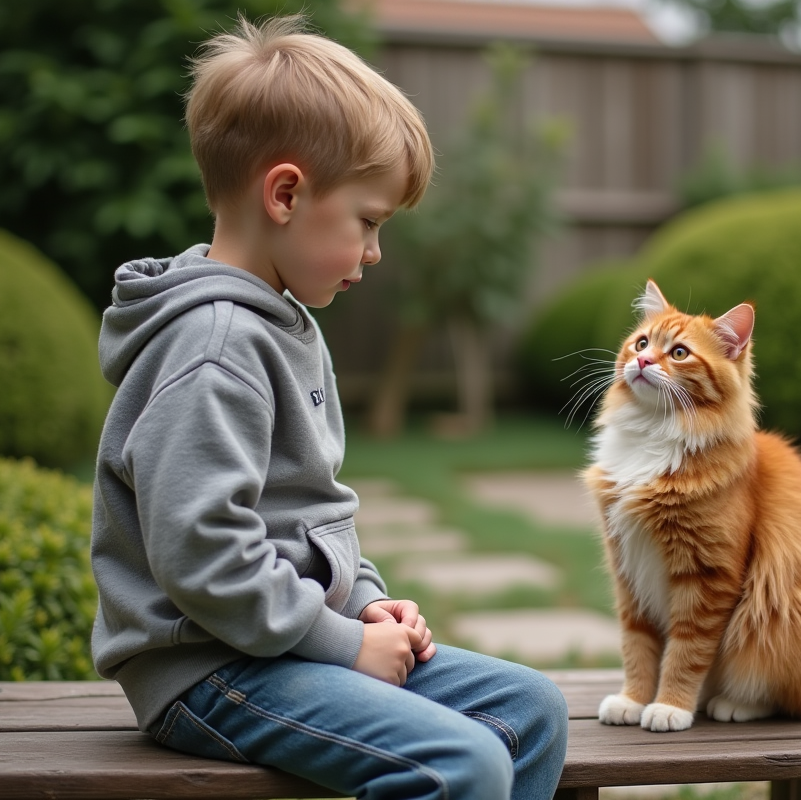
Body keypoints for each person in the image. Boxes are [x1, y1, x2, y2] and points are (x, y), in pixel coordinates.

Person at [88, 14, 568, 800]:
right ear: (285, 194)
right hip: (209, 668)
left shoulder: (284, 325)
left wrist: (371, 606)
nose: (375, 252)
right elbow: (202, 555)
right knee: (465, 763)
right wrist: (343, 645)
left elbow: (312, 512)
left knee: (532, 710)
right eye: (368, 222)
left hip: (280, 643)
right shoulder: (215, 346)